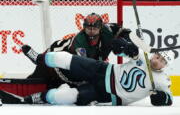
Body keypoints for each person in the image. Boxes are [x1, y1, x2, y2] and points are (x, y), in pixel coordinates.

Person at [0, 32, 174, 106]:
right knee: (68, 59)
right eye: (157, 56)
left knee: (65, 96)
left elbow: (169, 100)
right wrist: (125, 46)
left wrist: (161, 99)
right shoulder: (141, 55)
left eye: (160, 61)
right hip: (103, 71)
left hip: (108, 95)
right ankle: (39, 58)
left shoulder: (161, 80)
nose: (156, 60)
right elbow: (115, 46)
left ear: (165, 66)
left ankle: (31, 100)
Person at [0, 13, 133, 105]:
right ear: (84, 27)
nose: (91, 31)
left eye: (94, 28)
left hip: (73, 71)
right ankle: (38, 59)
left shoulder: (107, 30)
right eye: (88, 28)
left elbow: (122, 30)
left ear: (100, 27)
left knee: (67, 94)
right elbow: (85, 67)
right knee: (35, 81)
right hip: (54, 65)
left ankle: (41, 94)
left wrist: (128, 43)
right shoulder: (79, 43)